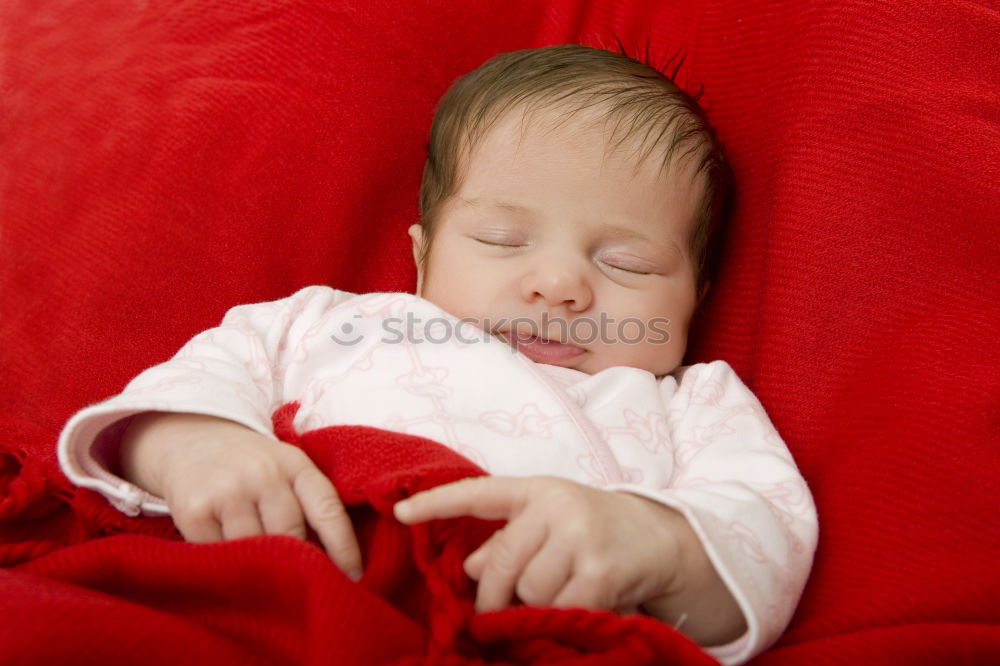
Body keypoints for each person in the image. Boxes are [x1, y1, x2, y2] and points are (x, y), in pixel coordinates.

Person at [57, 45, 817, 664]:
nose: (557, 285)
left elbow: (765, 528)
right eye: (502, 241)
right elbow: (190, 383)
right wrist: (192, 443)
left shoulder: (690, 401)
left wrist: (657, 540)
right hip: (264, 589)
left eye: (627, 263)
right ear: (420, 260)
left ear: (696, 298)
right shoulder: (336, 323)